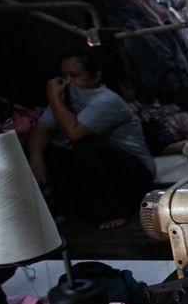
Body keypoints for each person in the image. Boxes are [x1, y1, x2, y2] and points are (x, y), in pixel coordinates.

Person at [28, 50, 155, 230]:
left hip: (133, 171)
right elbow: (43, 129)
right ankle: (72, 209)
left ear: (95, 76)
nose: (68, 82)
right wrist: (36, 158)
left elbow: (74, 133)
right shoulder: (67, 96)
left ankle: (114, 212)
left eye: (75, 75)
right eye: (64, 76)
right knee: (56, 149)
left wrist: (54, 97)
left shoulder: (106, 100)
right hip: (98, 173)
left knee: (86, 147)